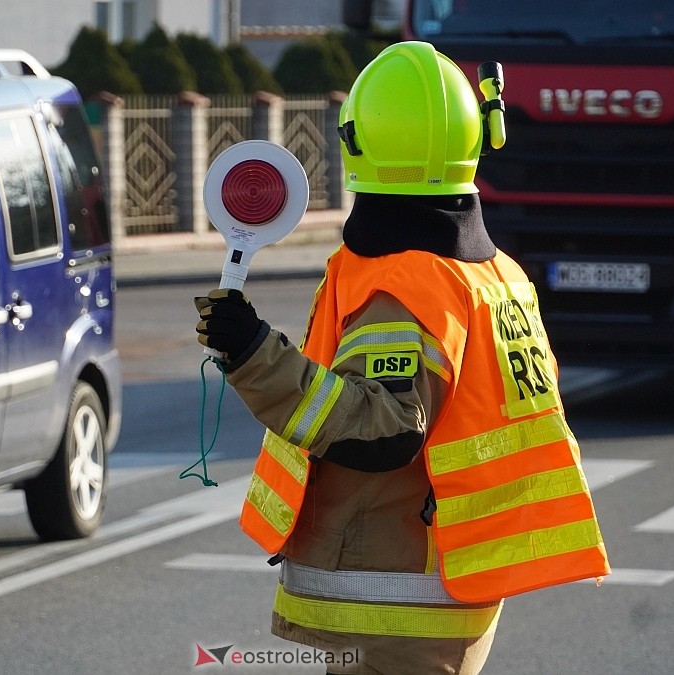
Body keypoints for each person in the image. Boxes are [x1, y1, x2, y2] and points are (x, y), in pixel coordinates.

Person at [194, 42, 610, 674]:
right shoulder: (494, 276)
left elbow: (384, 429)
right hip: (444, 584)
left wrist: (256, 355)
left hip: (395, 604)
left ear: (357, 145)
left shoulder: (405, 286)